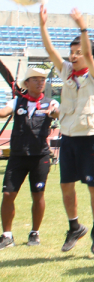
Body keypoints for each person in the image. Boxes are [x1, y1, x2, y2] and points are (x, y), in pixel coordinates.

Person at [39, 6, 94, 255]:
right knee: (66, 185)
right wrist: (43, 26)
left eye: (79, 53)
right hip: (68, 138)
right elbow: (50, 51)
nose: (73, 56)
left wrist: (82, 26)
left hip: (90, 139)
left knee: (93, 187)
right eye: (72, 52)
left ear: (89, 56)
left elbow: (88, 53)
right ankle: (74, 227)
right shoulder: (67, 71)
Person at [0, 67, 58, 250]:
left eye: (43, 80)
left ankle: (35, 232)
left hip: (40, 156)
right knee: (8, 194)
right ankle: (7, 235)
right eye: (36, 79)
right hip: (17, 155)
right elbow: (3, 113)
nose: (40, 83)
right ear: (26, 83)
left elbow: (57, 113)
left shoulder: (51, 103)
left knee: (38, 195)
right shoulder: (17, 101)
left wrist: (54, 113)